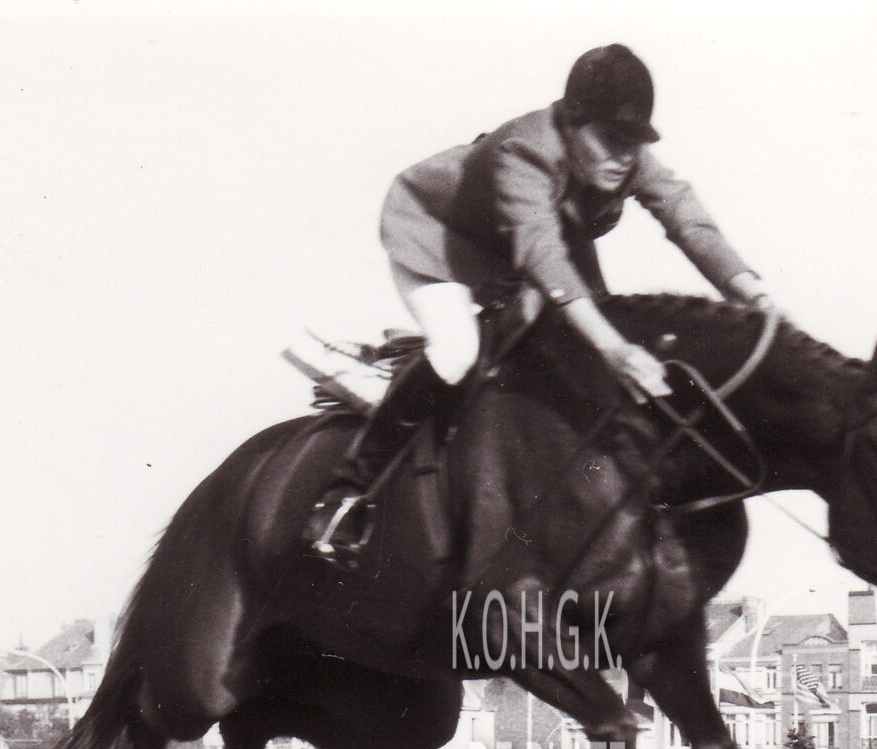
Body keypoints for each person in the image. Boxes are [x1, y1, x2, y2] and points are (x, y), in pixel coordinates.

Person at [305, 43, 777, 566]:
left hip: (524, 247)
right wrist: (611, 347)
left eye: (633, 143)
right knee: (459, 352)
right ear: (572, 121)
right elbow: (541, 255)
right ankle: (348, 493)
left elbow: (688, 220)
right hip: (438, 238)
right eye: (610, 139)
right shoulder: (524, 149)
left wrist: (753, 294)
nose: (624, 157)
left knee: (601, 335)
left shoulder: (627, 156)